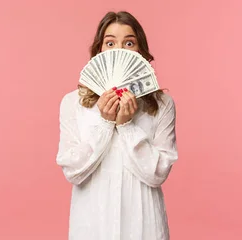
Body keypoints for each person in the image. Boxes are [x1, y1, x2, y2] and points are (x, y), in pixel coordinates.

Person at [56, 11, 178, 240]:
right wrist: (104, 123)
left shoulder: (162, 104)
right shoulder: (73, 103)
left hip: (143, 219)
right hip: (92, 218)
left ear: (141, 50)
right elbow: (73, 170)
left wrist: (127, 126)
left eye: (129, 42)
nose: (119, 50)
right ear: (99, 50)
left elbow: (158, 173)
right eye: (110, 42)